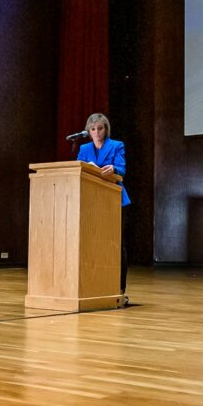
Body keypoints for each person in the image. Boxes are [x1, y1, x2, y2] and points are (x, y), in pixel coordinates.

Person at [75, 113, 130, 296]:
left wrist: (114, 168)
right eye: (93, 129)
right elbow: (78, 170)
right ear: (88, 132)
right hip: (91, 202)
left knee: (116, 245)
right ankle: (97, 286)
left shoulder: (116, 145)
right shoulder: (84, 148)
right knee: (94, 244)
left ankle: (120, 289)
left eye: (100, 128)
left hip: (113, 199)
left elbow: (122, 168)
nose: (97, 132)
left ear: (105, 129)